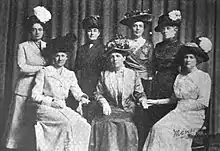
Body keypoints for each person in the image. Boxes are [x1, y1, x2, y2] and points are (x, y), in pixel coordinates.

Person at [142, 36, 212, 151]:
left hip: (194, 117)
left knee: (167, 133)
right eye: (186, 57)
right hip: (177, 113)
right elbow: (173, 99)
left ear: (197, 60)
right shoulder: (179, 76)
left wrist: (183, 106)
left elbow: (203, 103)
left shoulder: (203, 77)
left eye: (191, 57)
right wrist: (155, 102)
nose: (188, 60)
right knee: (157, 128)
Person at [2, 6, 51, 151]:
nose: (37, 32)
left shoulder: (48, 46)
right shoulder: (22, 46)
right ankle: (13, 145)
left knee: (37, 118)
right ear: (30, 31)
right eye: (34, 30)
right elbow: (22, 67)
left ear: (43, 31)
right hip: (24, 87)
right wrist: (41, 69)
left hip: (40, 87)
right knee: (18, 119)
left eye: (40, 30)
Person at [31, 33, 91, 151]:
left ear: (67, 57)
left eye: (63, 55)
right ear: (53, 57)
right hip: (46, 108)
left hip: (62, 107)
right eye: (57, 56)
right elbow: (35, 95)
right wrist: (50, 101)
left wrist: (82, 98)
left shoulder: (70, 74)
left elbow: (77, 92)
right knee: (66, 124)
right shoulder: (44, 72)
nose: (60, 59)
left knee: (84, 126)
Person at [89, 35, 149, 151]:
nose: (115, 59)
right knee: (106, 124)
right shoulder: (104, 74)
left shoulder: (133, 74)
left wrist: (142, 100)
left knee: (125, 125)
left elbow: (139, 93)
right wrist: (104, 102)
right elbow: (97, 93)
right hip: (111, 109)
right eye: (112, 57)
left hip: (127, 109)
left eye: (118, 56)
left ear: (124, 58)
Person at [138, 10, 184, 150]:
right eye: (163, 28)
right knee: (152, 117)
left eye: (168, 28)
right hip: (157, 83)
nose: (164, 31)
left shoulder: (181, 48)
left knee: (168, 119)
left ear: (175, 30)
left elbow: (184, 72)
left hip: (172, 83)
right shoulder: (158, 46)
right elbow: (151, 67)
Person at [74, 15, 105, 122]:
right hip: (82, 83)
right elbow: (77, 68)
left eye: (95, 30)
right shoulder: (81, 49)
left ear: (99, 33)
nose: (92, 33)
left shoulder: (103, 49)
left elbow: (104, 71)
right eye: (89, 31)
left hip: (96, 85)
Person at [119, 10, 154, 96]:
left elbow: (151, 64)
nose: (138, 29)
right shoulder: (124, 43)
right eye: (135, 26)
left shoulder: (148, 44)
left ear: (143, 28)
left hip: (144, 79)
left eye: (140, 26)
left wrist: (150, 79)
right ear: (131, 28)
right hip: (128, 78)